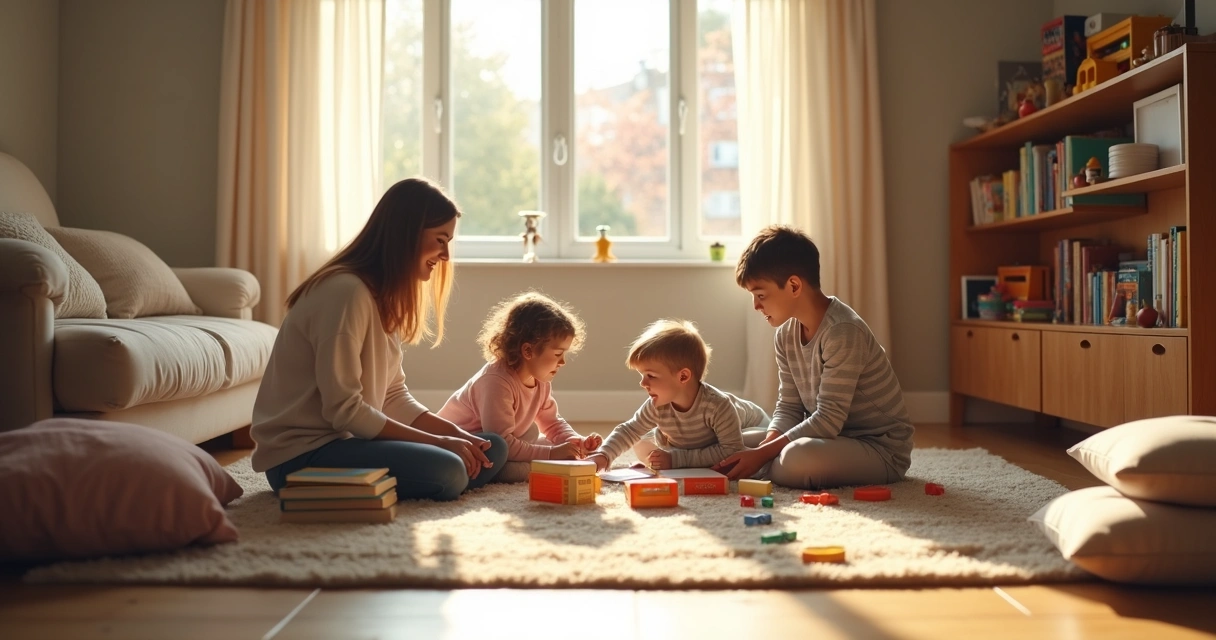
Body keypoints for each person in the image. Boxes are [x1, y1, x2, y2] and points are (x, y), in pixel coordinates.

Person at [250, 178, 507, 500]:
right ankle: (439, 474)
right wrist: (439, 444)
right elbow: (345, 411)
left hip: (349, 443)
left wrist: (455, 435)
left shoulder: (379, 295)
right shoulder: (346, 293)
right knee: (450, 471)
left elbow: (393, 396)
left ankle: (440, 467)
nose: (444, 255)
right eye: (440, 240)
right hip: (302, 457)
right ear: (408, 234)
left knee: (493, 445)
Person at [712, 225, 914, 489]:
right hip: (830, 439)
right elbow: (789, 407)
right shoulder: (785, 335)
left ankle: (762, 466)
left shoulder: (843, 331)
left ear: (794, 285)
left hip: (878, 449)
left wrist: (763, 454)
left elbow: (828, 419)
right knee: (738, 442)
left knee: (795, 459)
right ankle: (756, 462)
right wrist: (766, 443)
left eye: (760, 295)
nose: (756, 306)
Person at [437, 291, 602, 483]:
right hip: (467, 447)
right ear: (528, 350)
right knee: (513, 460)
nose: (563, 362)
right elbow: (501, 441)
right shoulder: (496, 381)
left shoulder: (540, 380)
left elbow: (552, 422)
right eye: (558, 354)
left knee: (534, 434)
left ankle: (547, 462)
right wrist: (552, 454)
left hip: (498, 442)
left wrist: (575, 441)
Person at [587, 319, 769, 472]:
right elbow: (629, 430)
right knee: (641, 442)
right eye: (642, 376)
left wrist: (676, 459)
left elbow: (731, 449)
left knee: (747, 446)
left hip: (752, 428)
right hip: (691, 444)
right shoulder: (656, 405)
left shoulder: (717, 405)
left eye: (650, 376)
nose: (643, 383)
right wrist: (603, 455)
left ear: (683, 376)